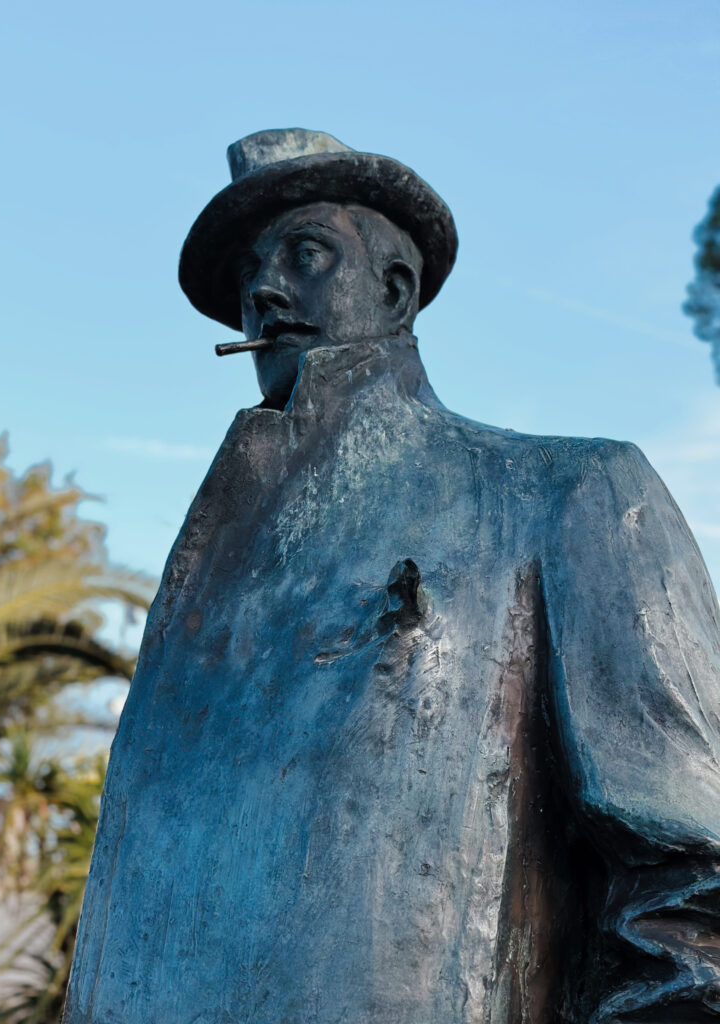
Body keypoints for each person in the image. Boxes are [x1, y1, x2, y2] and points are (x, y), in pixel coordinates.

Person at [65, 130, 720, 1023]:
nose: (261, 293)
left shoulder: (569, 494)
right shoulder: (195, 597)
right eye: (250, 271)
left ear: (396, 290)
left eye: (306, 254)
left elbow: (693, 896)